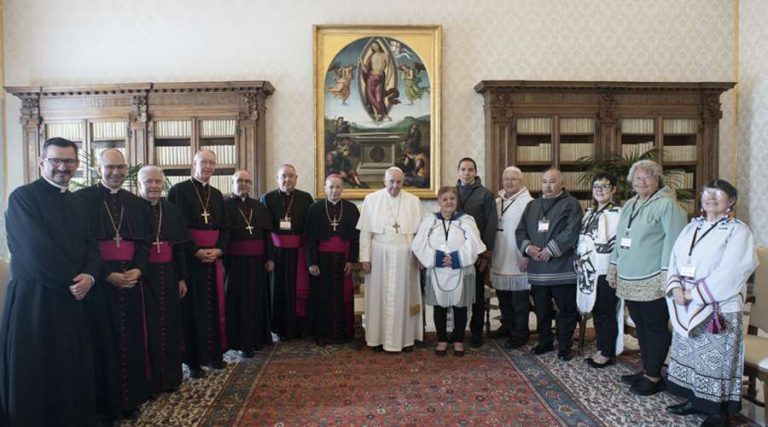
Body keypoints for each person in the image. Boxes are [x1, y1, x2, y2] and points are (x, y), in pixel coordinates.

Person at [1, 138, 100, 426]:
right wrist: (73, 280)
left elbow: (92, 245)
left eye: (69, 161)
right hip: (37, 300)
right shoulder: (23, 198)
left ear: (77, 164)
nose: (62, 167)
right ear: (42, 162)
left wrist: (90, 276)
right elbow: (35, 249)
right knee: (37, 370)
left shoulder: (78, 202)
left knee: (70, 367)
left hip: (74, 297)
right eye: (55, 160)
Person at [663, 179, 758, 426]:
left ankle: (718, 412)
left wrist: (693, 294)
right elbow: (674, 260)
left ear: (731, 200)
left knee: (716, 362)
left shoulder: (739, 231)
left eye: (718, 194)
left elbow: (733, 270)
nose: (711, 198)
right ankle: (695, 400)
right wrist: (675, 287)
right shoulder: (690, 228)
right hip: (686, 304)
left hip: (718, 308)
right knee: (692, 357)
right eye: (707, 193)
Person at [77, 148, 152, 422]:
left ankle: (130, 400)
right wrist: (107, 274)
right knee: (102, 343)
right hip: (99, 284)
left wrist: (138, 270)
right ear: (99, 169)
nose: (116, 172)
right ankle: (106, 407)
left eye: (120, 167)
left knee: (131, 340)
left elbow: (144, 244)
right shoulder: (82, 200)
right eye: (110, 167)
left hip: (130, 281)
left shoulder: (136, 203)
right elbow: (83, 245)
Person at [608, 160, 686, 396]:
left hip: (653, 277)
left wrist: (667, 277)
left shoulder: (667, 204)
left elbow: (674, 243)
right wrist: (613, 267)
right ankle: (647, 369)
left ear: (657, 180)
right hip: (629, 276)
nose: (642, 182)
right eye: (638, 178)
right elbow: (619, 238)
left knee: (654, 327)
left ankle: (654, 376)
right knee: (640, 325)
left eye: (647, 177)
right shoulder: (630, 204)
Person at [168, 150, 230, 378]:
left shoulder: (217, 194)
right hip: (190, 259)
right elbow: (175, 228)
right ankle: (193, 361)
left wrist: (219, 250)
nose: (208, 167)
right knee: (192, 310)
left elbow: (225, 228)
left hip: (213, 259)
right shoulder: (178, 191)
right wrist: (195, 251)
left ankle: (213, 355)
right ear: (194, 163)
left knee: (214, 307)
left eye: (212, 163)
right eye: (204, 162)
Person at [515, 167, 582, 361]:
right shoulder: (532, 205)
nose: (548, 185)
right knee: (541, 310)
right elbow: (520, 231)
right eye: (544, 181)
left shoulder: (571, 204)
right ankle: (545, 342)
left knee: (566, 311)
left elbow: (572, 230)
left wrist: (550, 250)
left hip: (563, 269)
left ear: (562, 184)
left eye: (552, 181)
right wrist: (529, 248)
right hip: (538, 270)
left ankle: (565, 346)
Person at [412, 186, 486, 357]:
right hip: (437, 269)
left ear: (456, 201)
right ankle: (442, 340)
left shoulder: (466, 220)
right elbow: (419, 244)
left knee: (460, 307)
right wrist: (437, 258)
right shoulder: (429, 220)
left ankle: (458, 340)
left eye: (452, 199)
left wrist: (456, 258)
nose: (449, 202)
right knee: (439, 307)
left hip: (461, 268)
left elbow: (474, 243)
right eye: (444, 199)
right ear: (439, 201)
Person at [357, 167, 423, 352]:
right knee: (378, 296)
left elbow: (420, 233)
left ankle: (405, 340)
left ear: (403, 182)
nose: (395, 185)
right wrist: (365, 258)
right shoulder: (371, 199)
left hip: (405, 255)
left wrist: (419, 255)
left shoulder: (413, 201)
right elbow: (365, 233)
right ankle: (377, 339)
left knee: (405, 296)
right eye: (391, 181)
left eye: (399, 182)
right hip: (379, 254)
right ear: (384, 181)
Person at [137, 166, 190, 395]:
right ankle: (149, 381)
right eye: (149, 181)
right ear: (139, 184)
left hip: (168, 275)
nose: (154, 186)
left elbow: (179, 248)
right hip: (144, 276)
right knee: (146, 328)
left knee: (170, 325)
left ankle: (170, 377)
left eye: (158, 182)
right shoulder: (133, 208)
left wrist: (182, 278)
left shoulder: (172, 210)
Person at [305, 175, 361, 345]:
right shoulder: (315, 208)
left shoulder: (351, 208)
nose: (334, 191)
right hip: (322, 260)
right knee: (322, 296)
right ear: (325, 188)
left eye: (337, 187)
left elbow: (356, 238)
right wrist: (312, 262)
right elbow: (309, 238)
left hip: (343, 260)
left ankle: (343, 333)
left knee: (343, 296)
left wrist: (352, 260)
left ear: (342, 189)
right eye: (331, 187)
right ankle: (323, 333)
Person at [260, 164, 314, 339]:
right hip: (277, 252)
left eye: (291, 176)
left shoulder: (306, 198)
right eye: (283, 176)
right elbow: (265, 232)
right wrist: (268, 256)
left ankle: (299, 327)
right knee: (278, 290)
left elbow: (309, 228)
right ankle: (279, 328)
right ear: (277, 179)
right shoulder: (267, 198)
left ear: (296, 179)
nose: (287, 179)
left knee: (298, 290)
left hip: (299, 252)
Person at [575, 173, 623, 368]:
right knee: (596, 309)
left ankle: (607, 352)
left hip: (605, 270)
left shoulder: (617, 214)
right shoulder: (590, 213)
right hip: (589, 269)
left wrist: (614, 269)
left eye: (605, 186)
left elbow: (618, 245)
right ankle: (602, 347)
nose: (599, 190)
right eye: (596, 186)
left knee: (606, 311)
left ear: (613, 190)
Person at [224, 170, 273, 357]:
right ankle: (241, 343)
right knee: (239, 301)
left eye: (247, 181)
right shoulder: (224, 205)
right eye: (239, 180)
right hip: (235, 264)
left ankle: (258, 339)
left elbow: (267, 235)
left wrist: (270, 258)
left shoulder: (258, 206)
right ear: (233, 183)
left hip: (258, 262)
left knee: (257, 300)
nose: (244, 184)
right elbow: (223, 235)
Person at [455, 157, 497, 347]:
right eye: (463, 169)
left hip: (478, 254)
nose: (466, 173)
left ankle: (476, 333)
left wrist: (485, 254)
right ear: (458, 172)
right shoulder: (452, 193)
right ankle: (458, 331)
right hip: (457, 254)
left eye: (470, 169)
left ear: (475, 172)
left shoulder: (485, 194)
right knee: (458, 295)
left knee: (477, 296)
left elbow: (491, 225)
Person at [490, 166, 534, 349]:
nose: (509, 182)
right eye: (506, 179)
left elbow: (532, 231)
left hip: (518, 257)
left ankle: (520, 332)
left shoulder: (529, 203)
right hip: (500, 254)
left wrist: (526, 255)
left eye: (513, 179)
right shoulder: (497, 201)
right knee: (503, 297)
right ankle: (507, 325)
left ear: (521, 181)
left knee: (520, 301)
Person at [360, 39, 396, 122]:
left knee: (379, 98)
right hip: (370, 78)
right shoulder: (371, 56)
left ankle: (385, 115)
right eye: (372, 46)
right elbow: (366, 70)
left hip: (380, 78)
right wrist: (361, 63)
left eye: (375, 45)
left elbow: (390, 70)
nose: (374, 47)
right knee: (371, 97)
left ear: (379, 45)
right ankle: (376, 116)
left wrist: (388, 81)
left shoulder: (385, 55)